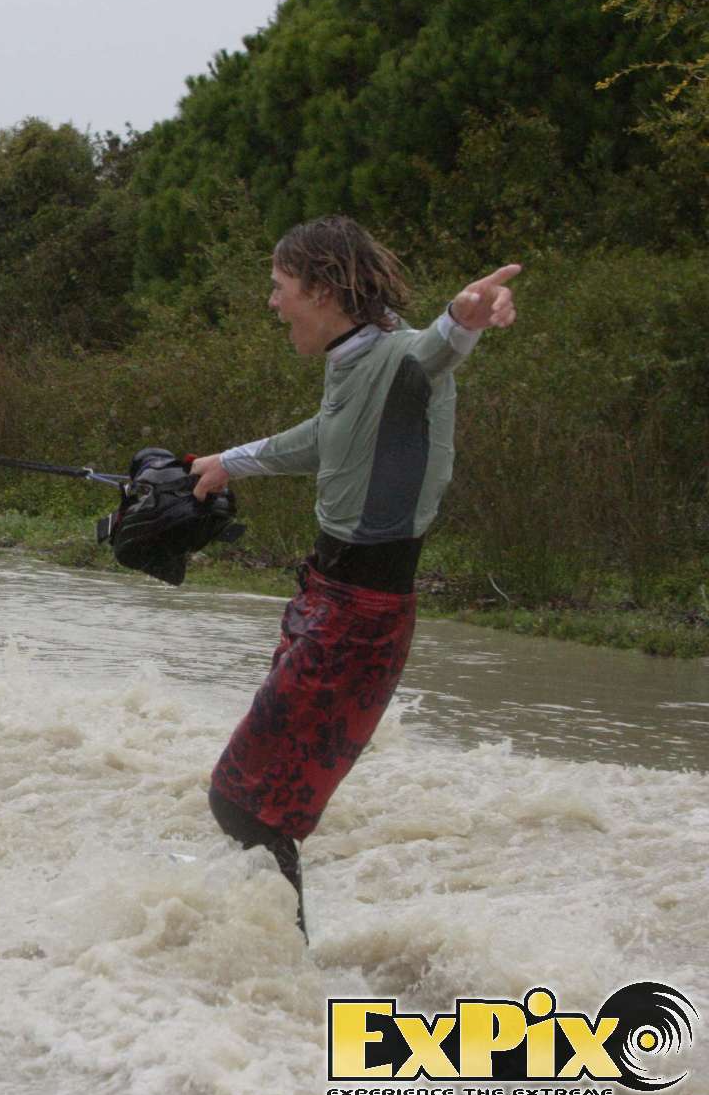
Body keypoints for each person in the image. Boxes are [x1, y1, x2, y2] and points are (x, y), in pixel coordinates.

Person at [187, 216, 520, 936]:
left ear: (323, 289)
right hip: (329, 599)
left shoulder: (400, 360)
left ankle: (282, 972)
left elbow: (436, 350)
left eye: (280, 288)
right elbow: (327, 438)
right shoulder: (352, 364)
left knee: (243, 802)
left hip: (357, 619)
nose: (272, 303)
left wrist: (466, 318)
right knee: (255, 806)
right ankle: (268, 965)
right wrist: (229, 462)